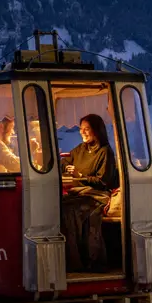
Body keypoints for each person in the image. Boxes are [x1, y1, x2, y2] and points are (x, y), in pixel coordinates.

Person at [60, 113, 119, 271]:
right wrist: (67, 167)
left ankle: (82, 262)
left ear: (97, 130)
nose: (83, 132)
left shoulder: (105, 152)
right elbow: (65, 161)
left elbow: (102, 181)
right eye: (81, 129)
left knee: (70, 212)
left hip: (96, 196)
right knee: (58, 206)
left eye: (87, 129)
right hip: (79, 193)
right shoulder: (81, 149)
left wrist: (80, 176)